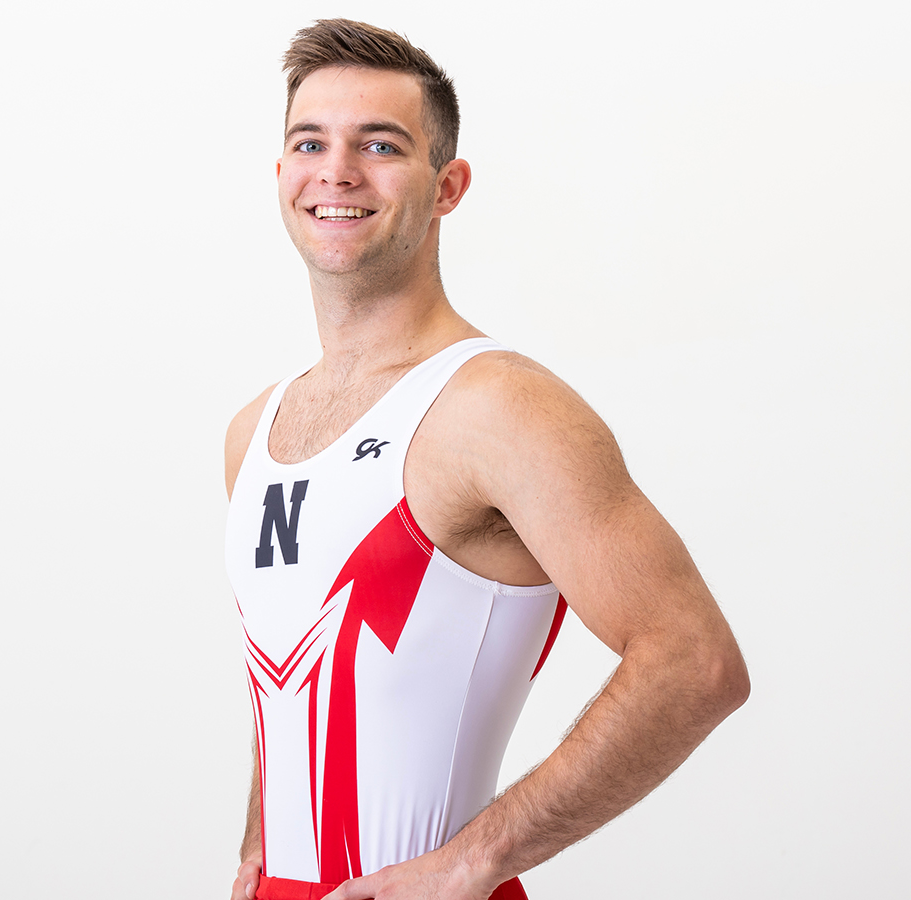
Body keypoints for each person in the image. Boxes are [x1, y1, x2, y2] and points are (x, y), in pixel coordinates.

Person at [223, 19, 749, 900]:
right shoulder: (253, 431)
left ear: (448, 186)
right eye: (310, 142)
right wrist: (254, 853)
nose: (338, 171)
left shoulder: (498, 406)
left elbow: (695, 662)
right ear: (281, 176)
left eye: (380, 145)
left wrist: (473, 860)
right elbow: (288, 666)